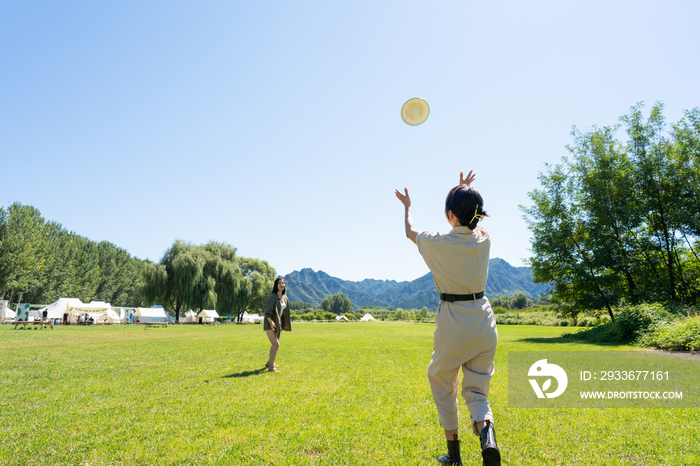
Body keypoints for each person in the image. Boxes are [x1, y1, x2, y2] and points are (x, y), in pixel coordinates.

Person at [395, 171, 501, 466]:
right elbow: (472, 221)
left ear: (450, 214)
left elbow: (410, 231)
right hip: (483, 320)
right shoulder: (484, 239)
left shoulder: (436, 242)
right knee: (477, 391)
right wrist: (467, 190)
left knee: (442, 381)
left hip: (454, 321)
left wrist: (407, 205)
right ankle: (487, 436)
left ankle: (454, 454)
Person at [263, 277, 292, 373]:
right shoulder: (272, 297)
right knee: (275, 344)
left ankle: (269, 362)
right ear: (276, 285)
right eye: (279, 283)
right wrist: (271, 322)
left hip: (278, 324)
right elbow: (267, 312)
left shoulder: (285, 298)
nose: (281, 285)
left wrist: (283, 324)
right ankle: (271, 367)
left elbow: (284, 313)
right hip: (269, 322)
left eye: (283, 283)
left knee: (276, 345)